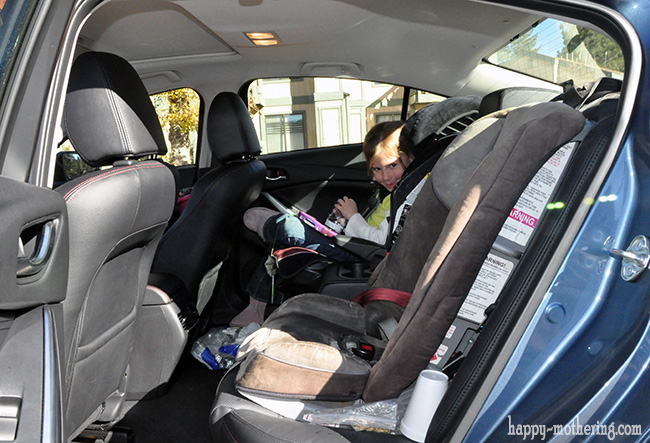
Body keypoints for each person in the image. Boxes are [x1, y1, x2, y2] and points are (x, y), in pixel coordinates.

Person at [231, 121, 415, 326]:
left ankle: (273, 227)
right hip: (355, 242)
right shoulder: (395, 192)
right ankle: (256, 308)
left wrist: (353, 216)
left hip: (365, 254)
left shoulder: (408, 196)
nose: (386, 176)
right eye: (377, 169)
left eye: (393, 165)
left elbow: (382, 241)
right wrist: (344, 220)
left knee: (288, 230)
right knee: (281, 249)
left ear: (410, 158)